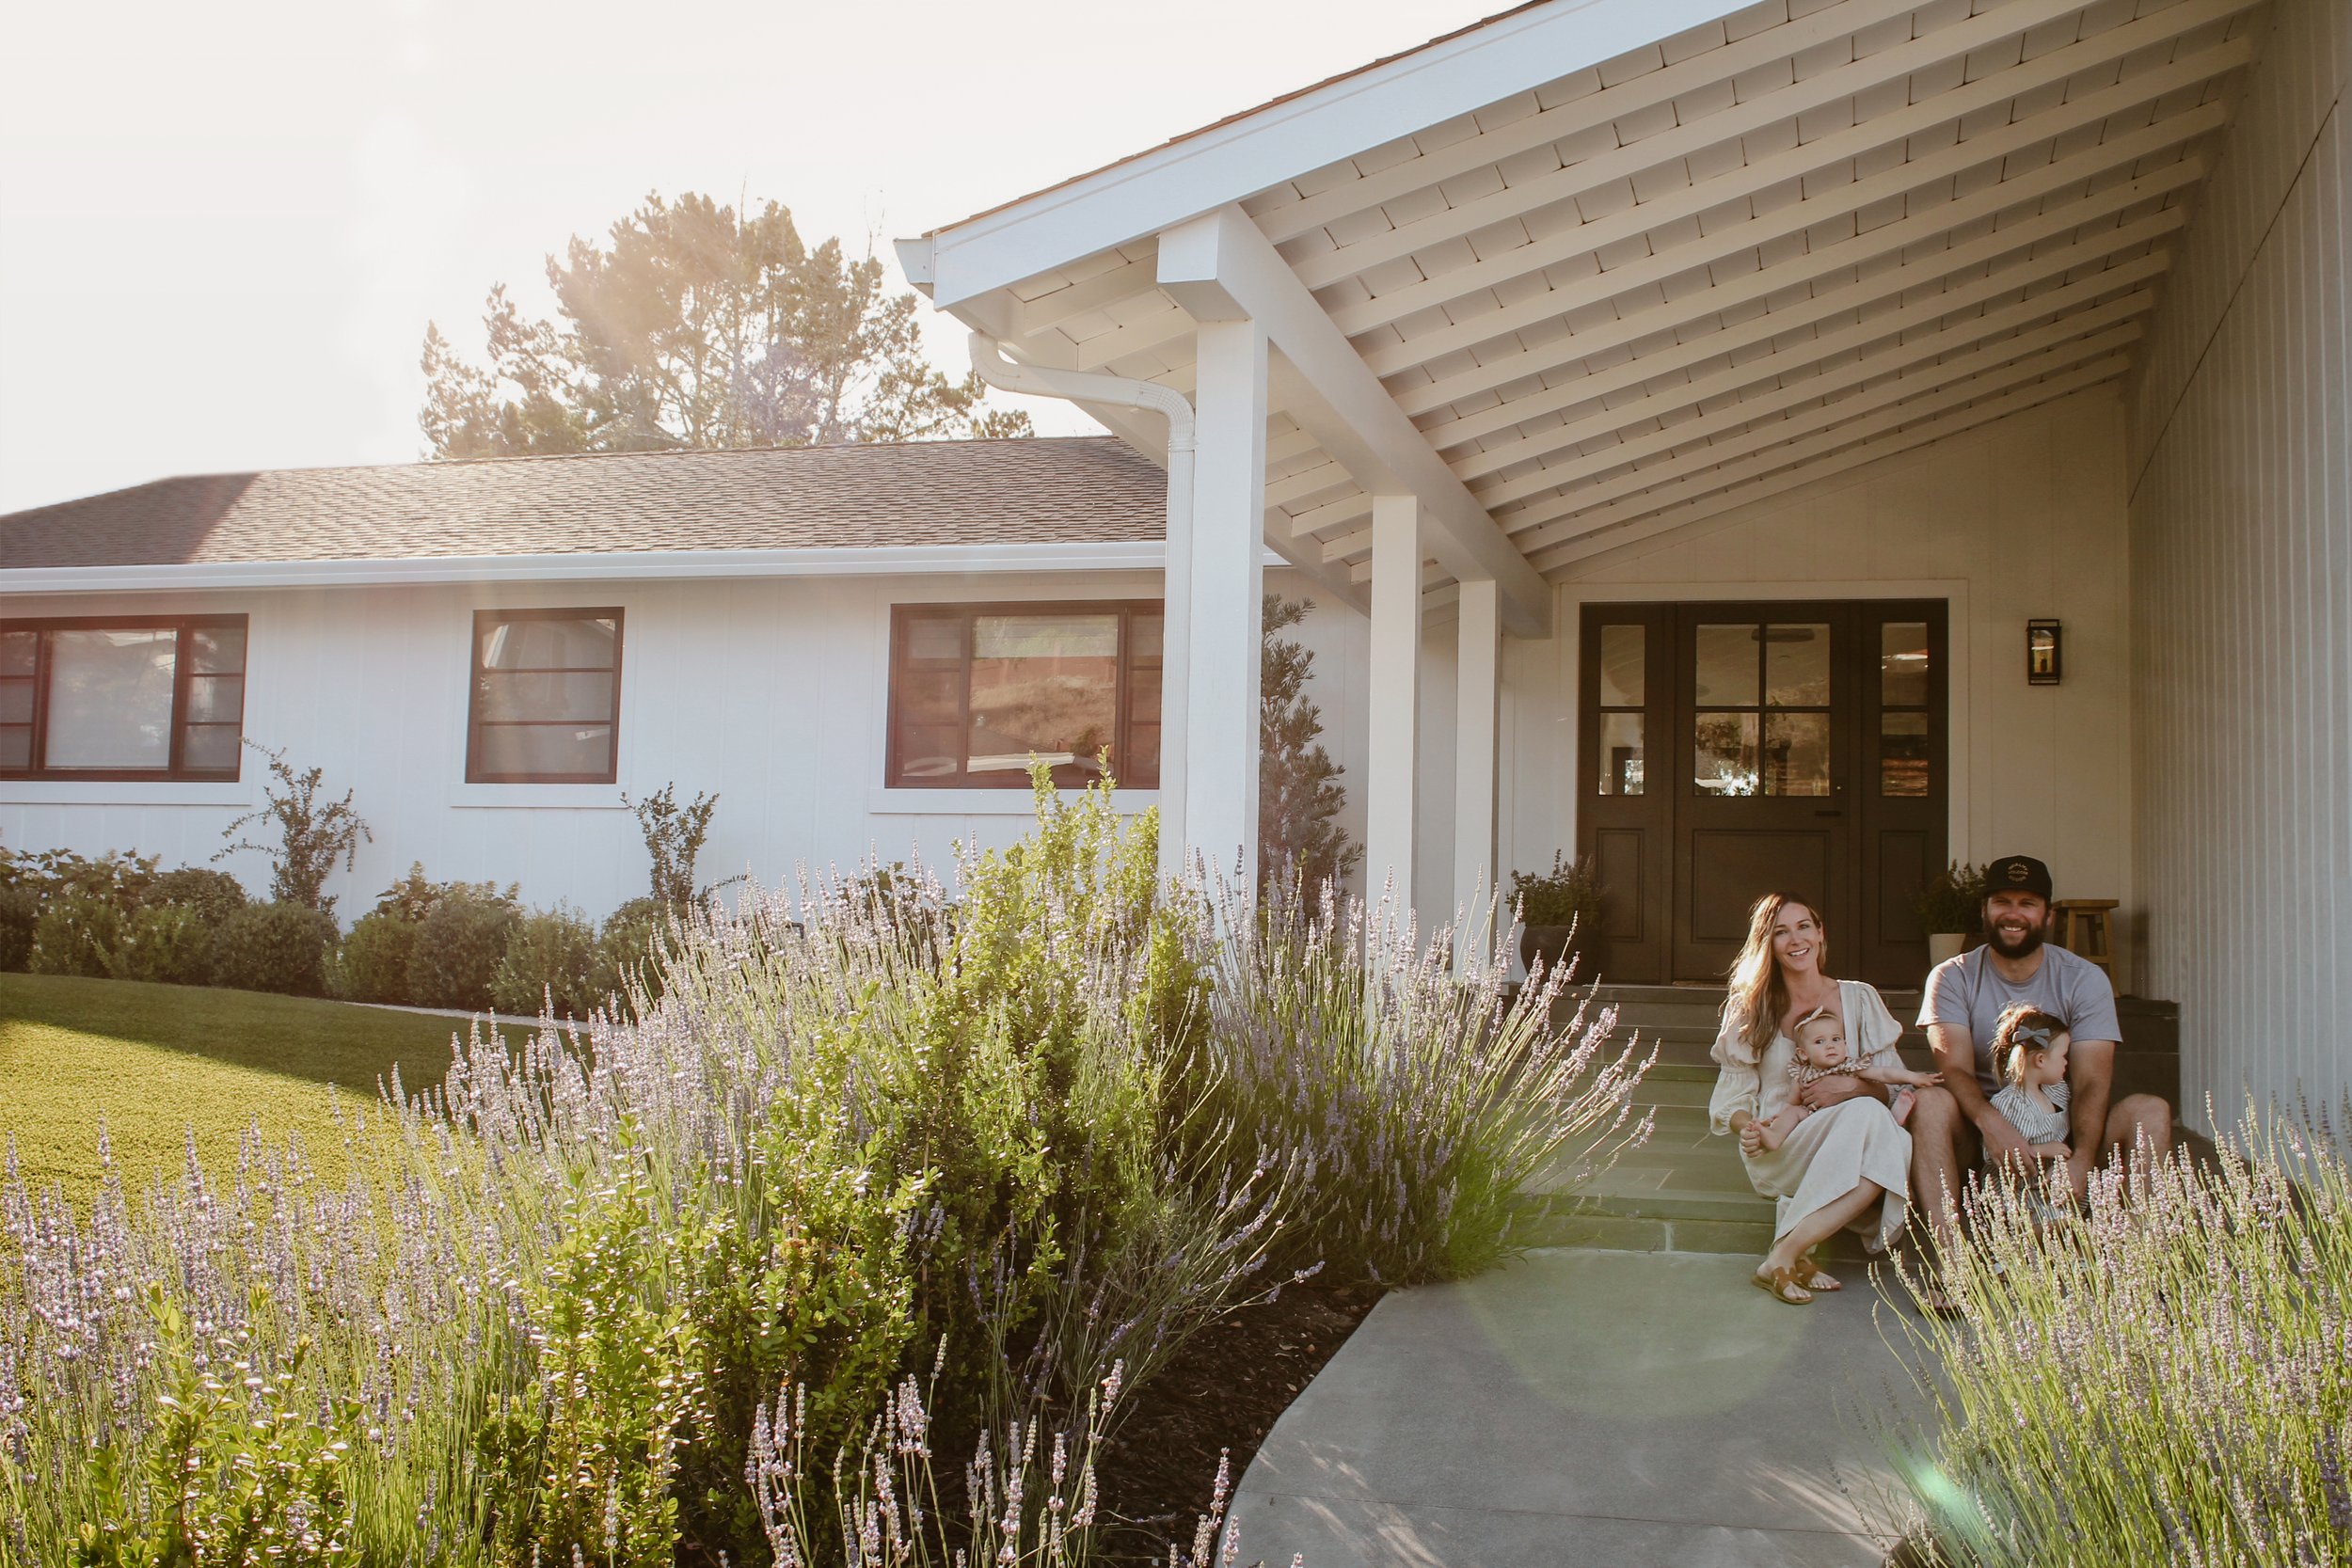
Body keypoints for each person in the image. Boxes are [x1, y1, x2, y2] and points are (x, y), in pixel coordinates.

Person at [1908, 854, 2172, 1260]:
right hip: (1981, 1134)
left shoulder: (2083, 978)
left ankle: (2139, 1263)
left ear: (2047, 915)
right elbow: (1954, 1068)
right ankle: (1953, 1264)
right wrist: (1993, 1125)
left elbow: (2090, 1081)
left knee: (2151, 1110)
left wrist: (2082, 1157)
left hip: (2060, 1129)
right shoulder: (1953, 975)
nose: (2013, 915)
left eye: (2027, 904)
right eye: (2002, 902)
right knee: (1928, 1101)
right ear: (1984, 910)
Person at [1708, 893, 1915, 1306]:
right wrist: (1747, 1128)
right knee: (1879, 1125)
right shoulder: (1752, 1006)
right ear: (1768, 944)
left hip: (1855, 1139)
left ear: (1820, 934)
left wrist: (1854, 1088)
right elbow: (1731, 1099)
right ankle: (1791, 1255)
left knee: (1883, 1126)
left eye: (1803, 926)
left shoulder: (1859, 998)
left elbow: (1892, 1089)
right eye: (1780, 932)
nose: (1795, 939)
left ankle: (1783, 1254)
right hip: (1782, 1143)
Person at [1751, 1006, 1943, 1154]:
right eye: (1820, 1042)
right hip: (1816, 1122)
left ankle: (1892, 1121)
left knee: (1869, 1109)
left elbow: (1884, 1074)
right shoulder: (1801, 1075)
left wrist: (1914, 1077)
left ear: (1845, 1044)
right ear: (1803, 1053)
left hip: (1849, 1120)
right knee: (1794, 1112)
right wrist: (1779, 1118)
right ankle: (1774, 1136)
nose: (1830, 1046)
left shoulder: (1850, 1067)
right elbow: (1791, 1103)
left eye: (1836, 1039)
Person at [1985, 1004, 2075, 1222]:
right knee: (2035, 1219)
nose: (2066, 1062)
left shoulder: (2057, 1091)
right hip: (2017, 1186)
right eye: (2064, 1056)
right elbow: (1992, 1155)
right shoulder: (2010, 1104)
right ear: (2041, 1060)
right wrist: (2042, 1149)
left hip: (2046, 1181)